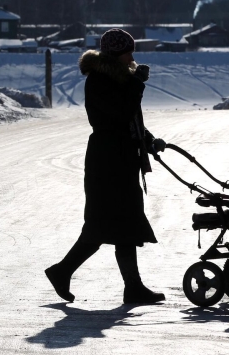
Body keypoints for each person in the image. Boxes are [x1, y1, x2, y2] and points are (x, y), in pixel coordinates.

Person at [45, 28, 167, 304]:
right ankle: (62, 270)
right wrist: (137, 84)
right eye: (128, 51)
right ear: (115, 53)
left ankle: (132, 287)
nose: (132, 57)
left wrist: (148, 140)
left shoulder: (119, 78)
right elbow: (122, 113)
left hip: (120, 159)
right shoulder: (100, 80)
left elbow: (130, 120)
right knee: (103, 225)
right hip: (107, 162)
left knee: (125, 225)